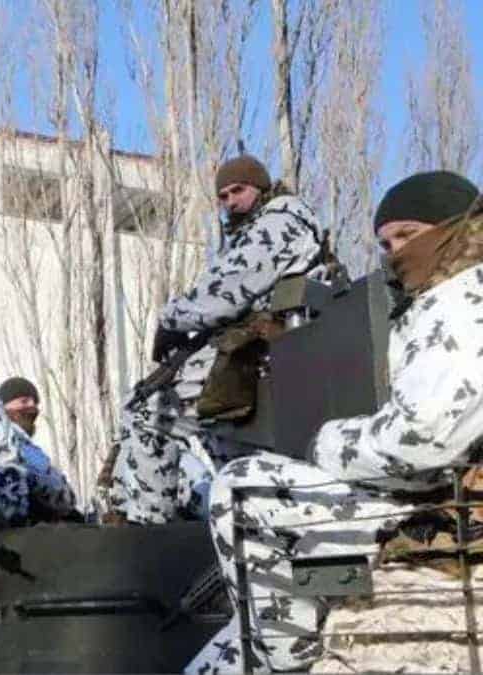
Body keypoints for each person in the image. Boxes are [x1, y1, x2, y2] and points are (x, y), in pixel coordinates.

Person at [186, 171, 483, 673]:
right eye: (385, 243)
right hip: (424, 503)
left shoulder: (463, 297)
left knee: (241, 490)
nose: (394, 252)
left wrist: (327, 444)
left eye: (408, 235)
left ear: (453, 226)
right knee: (235, 641)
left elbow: (424, 442)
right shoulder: (434, 299)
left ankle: (289, 664)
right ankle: (285, 637)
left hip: (443, 508)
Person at [109, 155, 329, 525]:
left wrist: (171, 319)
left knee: (147, 410)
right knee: (231, 452)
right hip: (260, 355)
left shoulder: (278, 223)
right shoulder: (272, 226)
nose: (230, 201)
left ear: (261, 187)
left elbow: (226, 290)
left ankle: (148, 527)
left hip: (261, 353)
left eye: (238, 190)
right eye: (223, 196)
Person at [0, 376, 76, 525]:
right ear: (4, 407)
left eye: (35, 402)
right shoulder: (13, 440)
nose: (33, 407)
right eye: (24, 401)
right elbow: (55, 490)